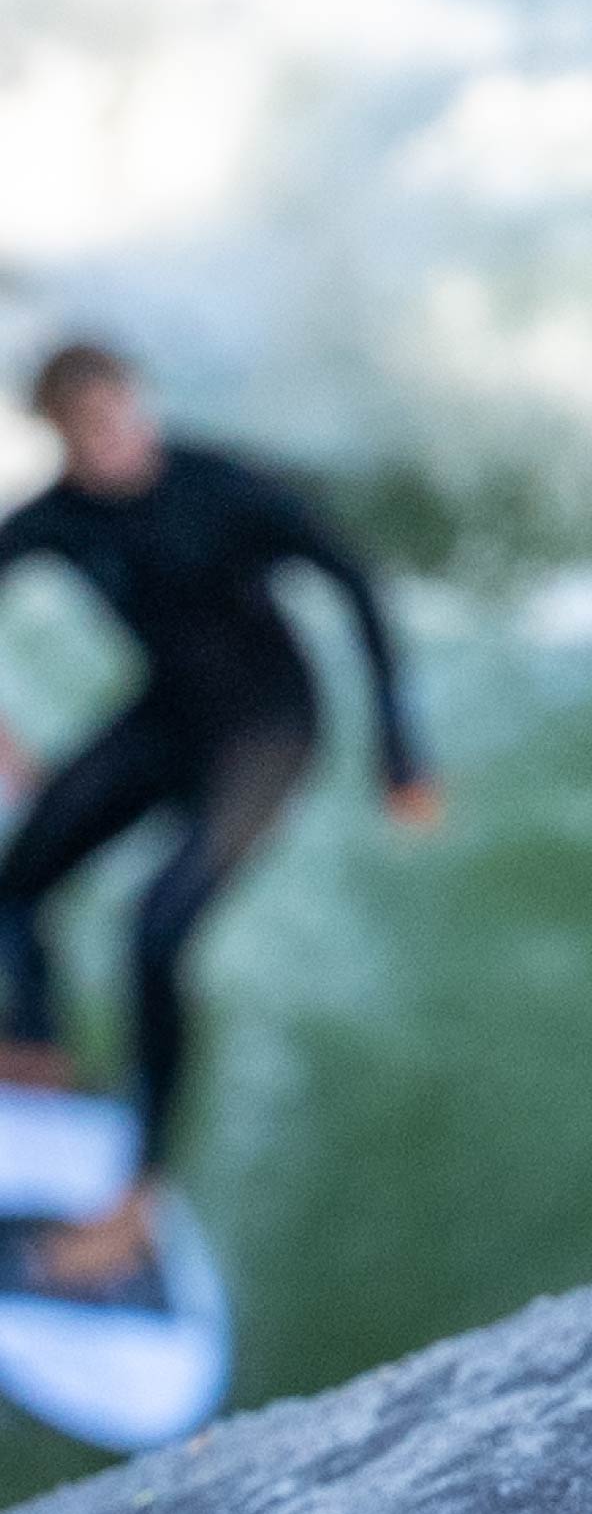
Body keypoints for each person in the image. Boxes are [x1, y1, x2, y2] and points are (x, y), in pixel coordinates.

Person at [0, 344, 437, 1292]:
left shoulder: (223, 487)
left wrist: (399, 751)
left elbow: (352, 578)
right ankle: (36, 1053)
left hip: (268, 732)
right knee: (16, 886)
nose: (115, 444)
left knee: (156, 930)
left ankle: (134, 1202)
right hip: (167, 719)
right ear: (61, 440)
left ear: (141, 405)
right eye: (90, 434)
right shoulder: (59, 519)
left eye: (123, 418)